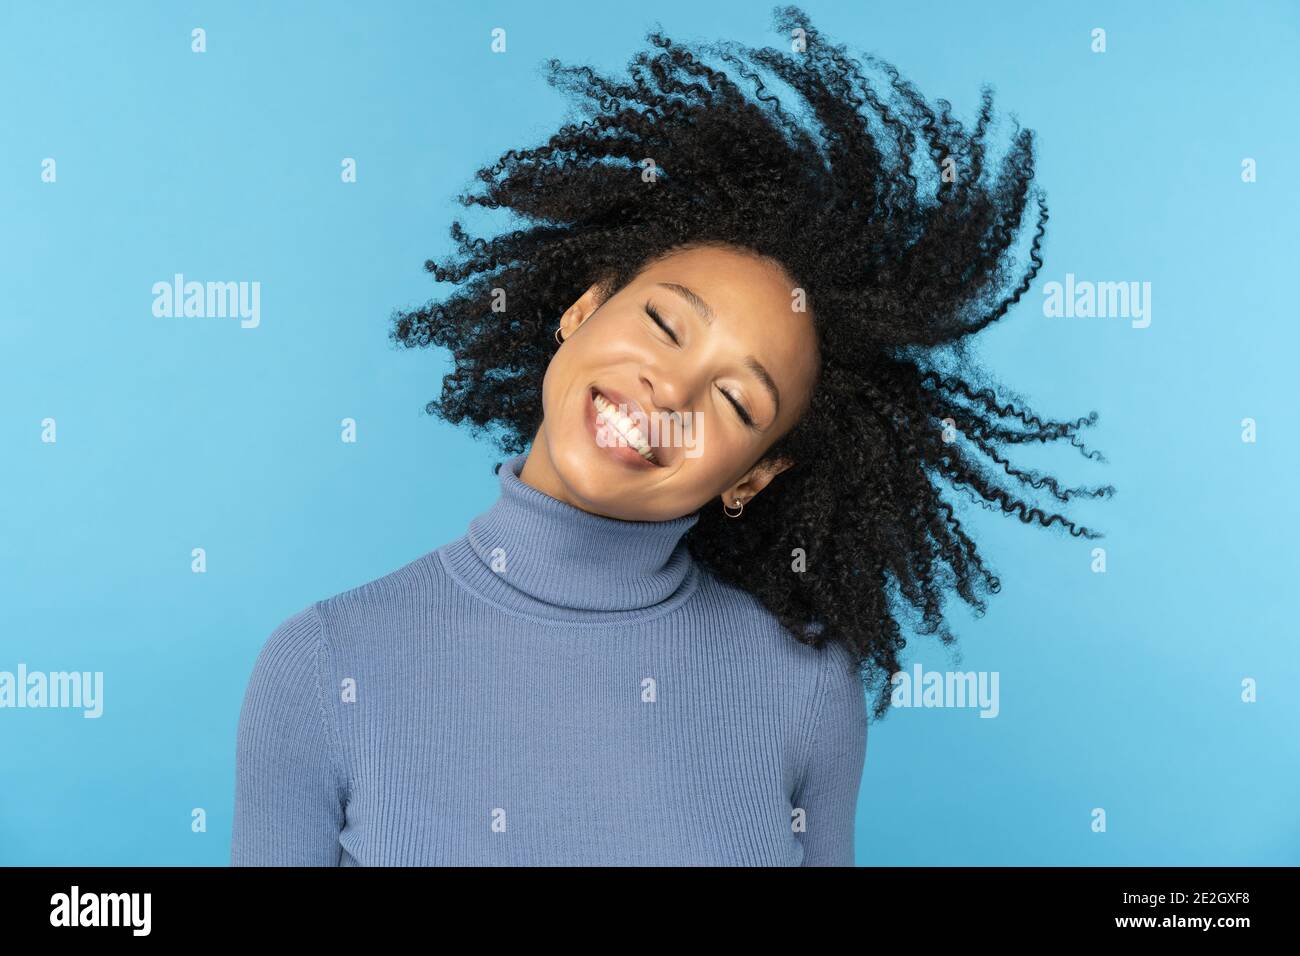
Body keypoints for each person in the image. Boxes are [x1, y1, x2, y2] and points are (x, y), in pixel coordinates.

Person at [231, 5, 1112, 866]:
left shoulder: (804, 691)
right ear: (582, 309)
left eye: (734, 403)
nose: (672, 392)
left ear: (755, 476)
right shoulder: (323, 664)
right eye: (664, 323)